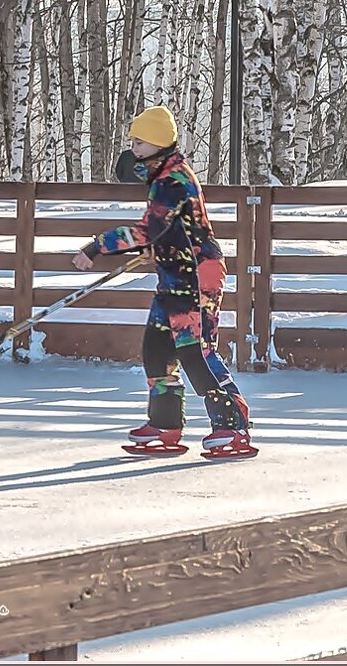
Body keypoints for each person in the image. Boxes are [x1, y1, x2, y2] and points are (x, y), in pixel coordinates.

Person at [72, 106, 256, 460]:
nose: (134, 149)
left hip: (197, 274)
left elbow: (148, 229)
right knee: (156, 350)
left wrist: (97, 246)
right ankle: (165, 424)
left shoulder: (173, 181)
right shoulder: (161, 175)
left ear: (156, 143)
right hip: (174, 273)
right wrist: (161, 244)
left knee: (195, 350)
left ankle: (232, 424)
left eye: (139, 142)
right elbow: (164, 229)